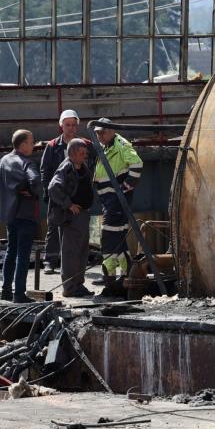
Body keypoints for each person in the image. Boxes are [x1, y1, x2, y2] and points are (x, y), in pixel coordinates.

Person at [40, 109, 95, 273]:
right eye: (67, 125)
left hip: (78, 194)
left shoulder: (86, 144)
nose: (70, 128)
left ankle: (73, 263)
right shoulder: (52, 146)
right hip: (59, 194)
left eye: (73, 125)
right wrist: (48, 192)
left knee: (76, 229)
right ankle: (50, 261)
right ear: (61, 126)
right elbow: (45, 170)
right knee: (54, 227)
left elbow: (93, 163)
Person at [93, 118, 143, 284]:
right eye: (98, 133)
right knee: (119, 238)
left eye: (103, 132)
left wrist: (124, 188)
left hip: (116, 201)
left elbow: (137, 165)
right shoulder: (106, 145)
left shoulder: (121, 145)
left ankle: (109, 276)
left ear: (112, 131)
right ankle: (126, 272)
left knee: (108, 237)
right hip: (109, 200)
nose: (99, 135)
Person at [0, 129, 42, 303]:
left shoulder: (3, 161)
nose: (33, 145)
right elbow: (36, 182)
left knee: (11, 251)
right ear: (23, 144)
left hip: (10, 214)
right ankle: (19, 294)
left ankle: (5, 291)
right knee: (23, 254)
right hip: (26, 213)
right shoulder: (27, 163)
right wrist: (32, 191)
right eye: (31, 142)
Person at [48, 138, 94, 298]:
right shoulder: (67, 167)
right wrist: (69, 205)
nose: (85, 156)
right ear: (73, 153)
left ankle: (78, 285)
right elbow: (53, 187)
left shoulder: (81, 166)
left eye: (85, 153)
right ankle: (70, 288)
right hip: (72, 217)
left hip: (82, 215)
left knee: (82, 251)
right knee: (70, 253)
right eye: (82, 153)